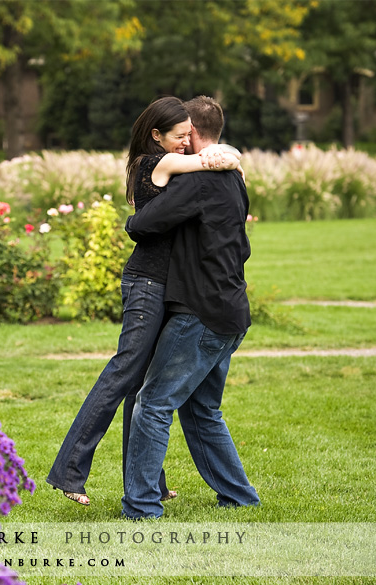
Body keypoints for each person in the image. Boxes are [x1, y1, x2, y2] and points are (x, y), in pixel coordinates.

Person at [46, 96, 242, 506]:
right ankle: (69, 470)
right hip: (147, 283)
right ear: (156, 135)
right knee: (124, 374)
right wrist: (228, 154)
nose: (184, 142)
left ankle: (147, 485)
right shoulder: (158, 162)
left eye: (189, 135)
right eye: (178, 135)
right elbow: (209, 162)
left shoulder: (164, 161)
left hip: (162, 284)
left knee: (141, 388)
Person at [121, 95, 259, 520]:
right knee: (201, 409)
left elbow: (140, 225)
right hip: (231, 309)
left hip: (200, 312)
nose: (178, 142)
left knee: (154, 403)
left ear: (193, 134)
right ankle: (239, 496)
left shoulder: (198, 180)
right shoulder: (233, 177)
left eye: (183, 133)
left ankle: (142, 506)